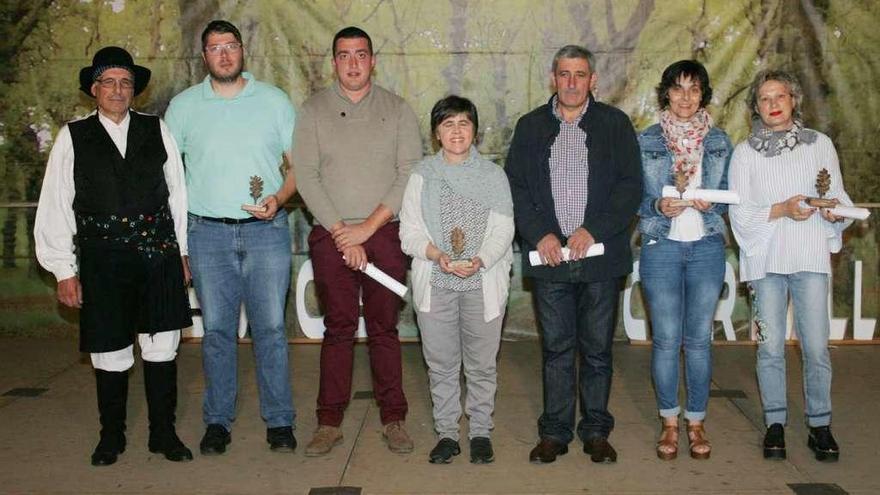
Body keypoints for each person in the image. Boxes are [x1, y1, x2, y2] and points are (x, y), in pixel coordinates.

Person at [34, 46, 193, 466]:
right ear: (94, 89)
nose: (118, 90)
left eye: (125, 82)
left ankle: (163, 433)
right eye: (109, 82)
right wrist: (64, 270)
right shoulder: (73, 137)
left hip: (158, 254)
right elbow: (55, 204)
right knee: (110, 351)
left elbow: (177, 195)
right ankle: (112, 437)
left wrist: (182, 252)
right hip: (102, 260)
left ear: (134, 90)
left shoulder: (157, 129)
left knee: (162, 347)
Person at [164, 19, 298, 455]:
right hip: (207, 235)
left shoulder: (275, 102)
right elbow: (169, 180)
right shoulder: (183, 108)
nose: (224, 54)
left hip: (267, 233)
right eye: (214, 47)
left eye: (231, 45)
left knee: (272, 330)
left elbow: (297, 168)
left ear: (243, 51)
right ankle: (217, 422)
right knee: (218, 332)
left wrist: (278, 198)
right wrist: (179, 244)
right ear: (203, 56)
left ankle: (279, 421)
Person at [506, 45, 642, 464]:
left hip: (600, 258)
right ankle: (555, 432)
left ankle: (597, 430)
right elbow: (515, 189)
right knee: (557, 348)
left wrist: (592, 229)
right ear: (553, 78)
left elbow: (630, 187)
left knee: (598, 349)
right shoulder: (529, 127)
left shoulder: (615, 125)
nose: (570, 82)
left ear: (592, 80)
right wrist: (539, 234)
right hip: (548, 259)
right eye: (563, 74)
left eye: (579, 74)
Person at [294, 26, 422, 456]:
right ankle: (328, 422)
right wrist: (340, 232)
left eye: (361, 54)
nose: (353, 63)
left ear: (372, 60)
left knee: (385, 327)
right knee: (339, 327)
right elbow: (306, 175)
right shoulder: (312, 111)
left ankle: (394, 418)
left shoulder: (398, 109)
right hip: (331, 234)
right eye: (344, 55)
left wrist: (366, 230)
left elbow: (409, 174)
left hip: (384, 234)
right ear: (334, 62)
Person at [729, 69, 853, 463]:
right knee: (769, 347)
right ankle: (775, 424)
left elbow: (835, 196)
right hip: (765, 265)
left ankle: (820, 425)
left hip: (810, 258)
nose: (773, 104)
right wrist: (780, 209)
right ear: (757, 107)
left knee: (816, 347)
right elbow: (739, 213)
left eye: (779, 96)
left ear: (793, 99)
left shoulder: (820, 145)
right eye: (764, 99)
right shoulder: (744, 152)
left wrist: (836, 214)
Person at [399, 96, 514, 464]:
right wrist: (438, 256)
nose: (457, 131)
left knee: (481, 364)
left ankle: (481, 431)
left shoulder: (494, 176)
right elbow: (409, 233)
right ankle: (447, 433)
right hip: (437, 282)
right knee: (442, 364)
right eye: (448, 124)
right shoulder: (422, 175)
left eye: (464, 123)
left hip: (483, 282)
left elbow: (504, 229)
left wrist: (479, 260)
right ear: (436, 132)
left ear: (475, 131)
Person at [637, 60, 733, 461]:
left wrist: (715, 203)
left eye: (694, 89)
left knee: (698, 341)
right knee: (665, 340)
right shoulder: (645, 140)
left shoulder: (721, 140)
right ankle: (669, 422)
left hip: (707, 246)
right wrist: (658, 205)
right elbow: (634, 198)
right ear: (666, 93)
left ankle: (696, 420)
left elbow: (730, 195)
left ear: (703, 95)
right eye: (678, 88)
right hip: (661, 247)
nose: (686, 97)